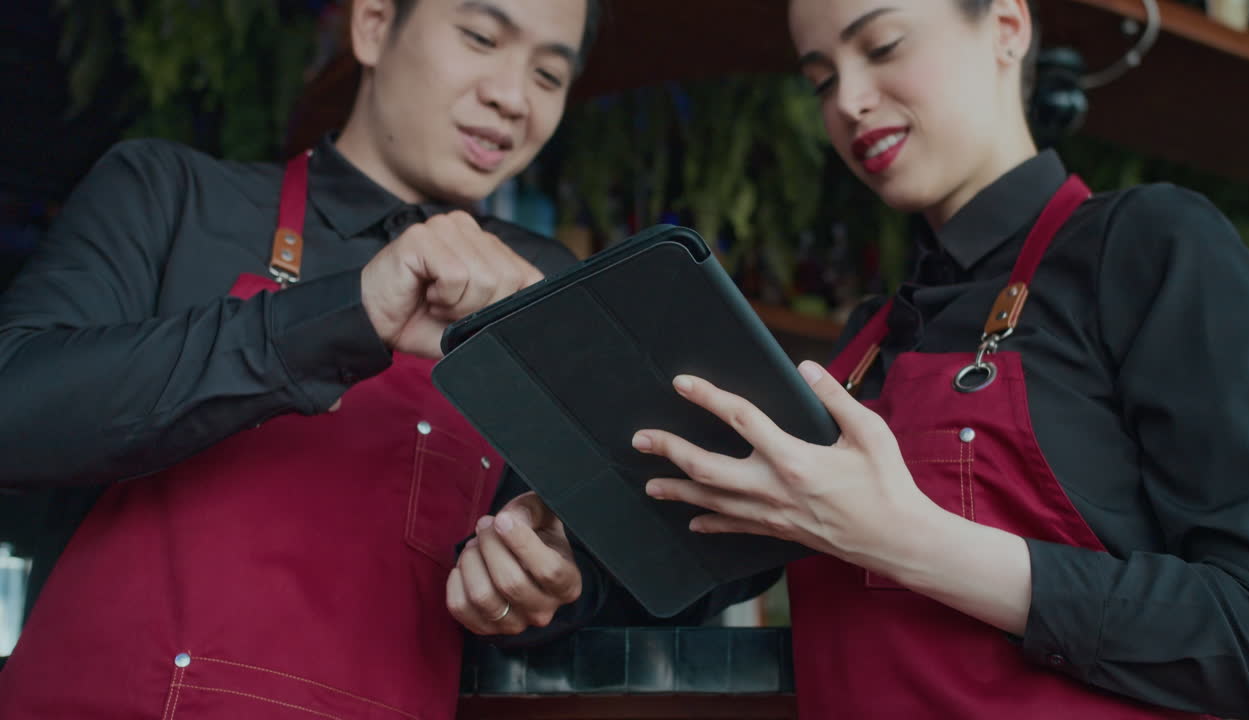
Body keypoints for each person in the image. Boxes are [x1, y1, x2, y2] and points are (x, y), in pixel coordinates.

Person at [0, 0, 773, 717]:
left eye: (548, 74)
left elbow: (698, 549)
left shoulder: (549, 289)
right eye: (481, 37)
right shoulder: (172, 197)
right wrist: (348, 313)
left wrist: (562, 584)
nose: (513, 97)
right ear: (373, 25)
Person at [630, 0, 1249, 717]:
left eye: (883, 46)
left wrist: (910, 542)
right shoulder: (864, 343)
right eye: (821, 80)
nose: (848, 101)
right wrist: (563, 565)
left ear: (1006, 27)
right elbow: (691, 566)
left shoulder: (1148, 249)